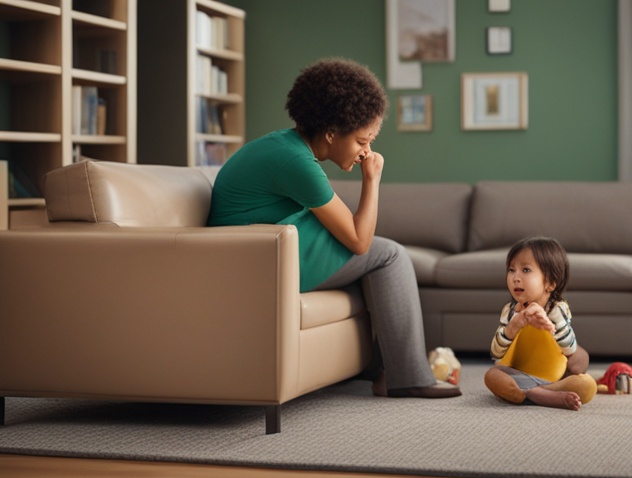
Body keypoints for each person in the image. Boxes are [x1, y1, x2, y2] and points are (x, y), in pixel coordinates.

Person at [207, 57, 459, 399]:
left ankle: (383, 371)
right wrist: (372, 180)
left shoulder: (286, 146)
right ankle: (408, 377)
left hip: (258, 251)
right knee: (389, 255)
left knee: (376, 259)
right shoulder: (296, 162)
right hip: (259, 261)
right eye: (361, 141)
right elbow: (358, 240)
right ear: (330, 133)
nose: (366, 151)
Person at [484, 236, 595, 410]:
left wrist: (549, 325)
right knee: (492, 376)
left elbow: (569, 349)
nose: (516, 278)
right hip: (520, 373)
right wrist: (513, 327)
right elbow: (496, 354)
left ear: (550, 283)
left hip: (556, 376)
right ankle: (538, 394)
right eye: (512, 270)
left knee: (585, 377)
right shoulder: (510, 310)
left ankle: (536, 392)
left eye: (526, 270)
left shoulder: (557, 309)